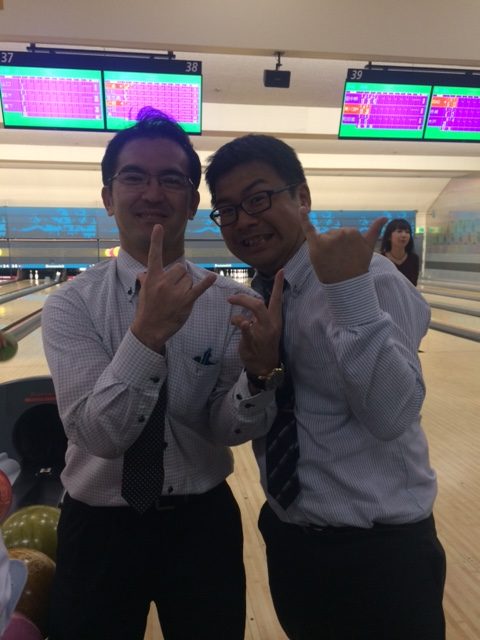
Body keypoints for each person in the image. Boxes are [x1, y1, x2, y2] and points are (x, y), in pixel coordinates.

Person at [41, 112, 281, 640]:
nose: (153, 192)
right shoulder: (70, 306)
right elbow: (99, 435)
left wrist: (259, 377)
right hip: (97, 524)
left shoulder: (227, 301)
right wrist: (146, 337)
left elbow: (227, 429)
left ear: (192, 203)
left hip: (202, 524)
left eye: (171, 179)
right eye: (134, 177)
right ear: (109, 197)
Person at [205, 134, 446, 640]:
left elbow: (392, 415)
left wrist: (348, 291)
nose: (243, 220)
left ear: (303, 197)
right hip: (292, 542)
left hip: (382, 556)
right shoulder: (254, 303)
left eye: (258, 198)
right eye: (227, 210)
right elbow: (232, 426)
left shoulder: (373, 279)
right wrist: (259, 373)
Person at [380, 217, 420, 285]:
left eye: (407, 232)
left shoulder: (414, 259)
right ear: (389, 236)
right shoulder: (381, 259)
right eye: (399, 231)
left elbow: (413, 285)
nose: (404, 235)